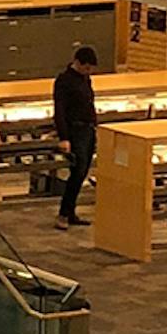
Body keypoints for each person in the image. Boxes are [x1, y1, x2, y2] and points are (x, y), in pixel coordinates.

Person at [52, 43, 99, 228]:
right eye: (86, 68)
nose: (89, 72)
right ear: (77, 62)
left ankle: (70, 211)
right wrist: (64, 137)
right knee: (77, 172)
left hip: (88, 130)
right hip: (75, 130)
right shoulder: (64, 81)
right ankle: (63, 214)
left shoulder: (85, 79)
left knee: (83, 172)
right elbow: (60, 110)